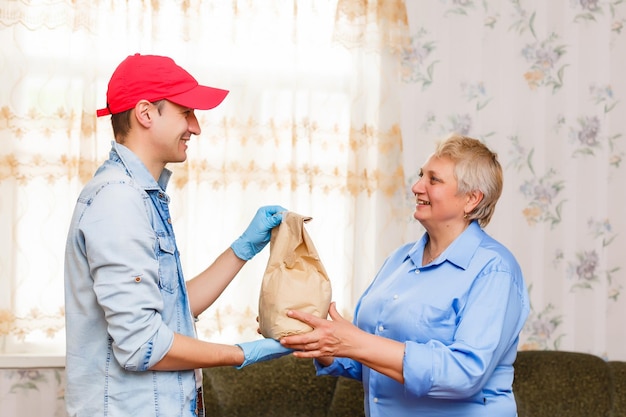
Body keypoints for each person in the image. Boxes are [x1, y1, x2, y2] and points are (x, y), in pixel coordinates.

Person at [64, 53, 291, 417]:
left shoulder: (139, 196)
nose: (196, 127)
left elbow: (171, 311)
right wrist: (241, 354)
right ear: (145, 114)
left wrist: (242, 249)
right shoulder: (119, 200)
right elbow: (142, 345)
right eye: (186, 112)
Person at [281, 135, 530, 416]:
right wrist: (322, 341)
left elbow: (464, 374)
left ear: (471, 199)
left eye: (434, 180)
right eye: (420, 175)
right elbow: (371, 357)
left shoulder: (494, 270)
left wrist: (354, 342)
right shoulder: (399, 260)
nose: (416, 186)